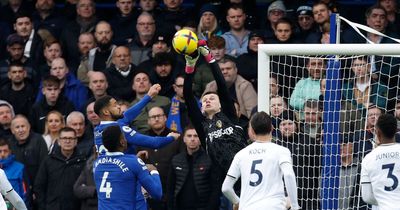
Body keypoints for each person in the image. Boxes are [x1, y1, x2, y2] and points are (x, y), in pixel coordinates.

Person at [221, 111, 300, 210]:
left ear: (252, 131)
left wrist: (238, 202)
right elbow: (288, 175)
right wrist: (294, 206)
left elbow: (226, 188)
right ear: (272, 128)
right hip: (273, 207)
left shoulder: (241, 155)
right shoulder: (281, 151)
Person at [93, 125, 162, 210]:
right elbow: (157, 193)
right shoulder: (134, 162)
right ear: (122, 142)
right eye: (124, 137)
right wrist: (154, 172)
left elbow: (119, 174)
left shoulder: (97, 164)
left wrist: (136, 162)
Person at [167, 125, 220, 210]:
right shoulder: (176, 160)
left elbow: (215, 190)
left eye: (196, 136)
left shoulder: (209, 160)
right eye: (189, 136)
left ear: (200, 139)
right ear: (184, 139)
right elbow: (170, 189)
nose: (192, 139)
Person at [34, 127, 87, 210]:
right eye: (64, 138)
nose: (67, 141)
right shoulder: (48, 161)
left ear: (76, 141)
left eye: (71, 138)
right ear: (58, 141)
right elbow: (39, 187)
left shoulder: (83, 161)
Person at [360, 114, 400, 209]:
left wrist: (385, 199)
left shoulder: (368, 158)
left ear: (377, 132)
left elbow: (367, 197)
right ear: (396, 131)